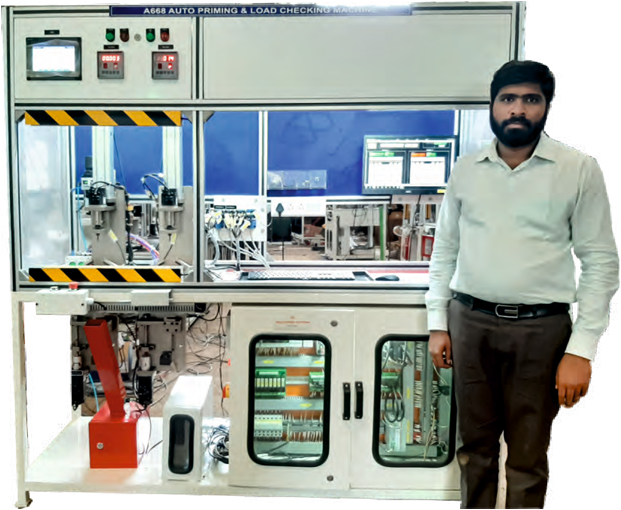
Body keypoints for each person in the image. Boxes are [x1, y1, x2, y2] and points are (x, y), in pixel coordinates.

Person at [425, 60, 620, 509]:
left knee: (528, 460)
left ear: (546, 106)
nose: (518, 109)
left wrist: (581, 350)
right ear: (493, 106)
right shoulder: (466, 170)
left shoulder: (577, 170)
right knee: (474, 452)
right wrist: (438, 323)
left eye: (531, 99)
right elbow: (445, 250)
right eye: (508, 99)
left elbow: (600, 262)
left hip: (541, 331)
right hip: (469, 323)